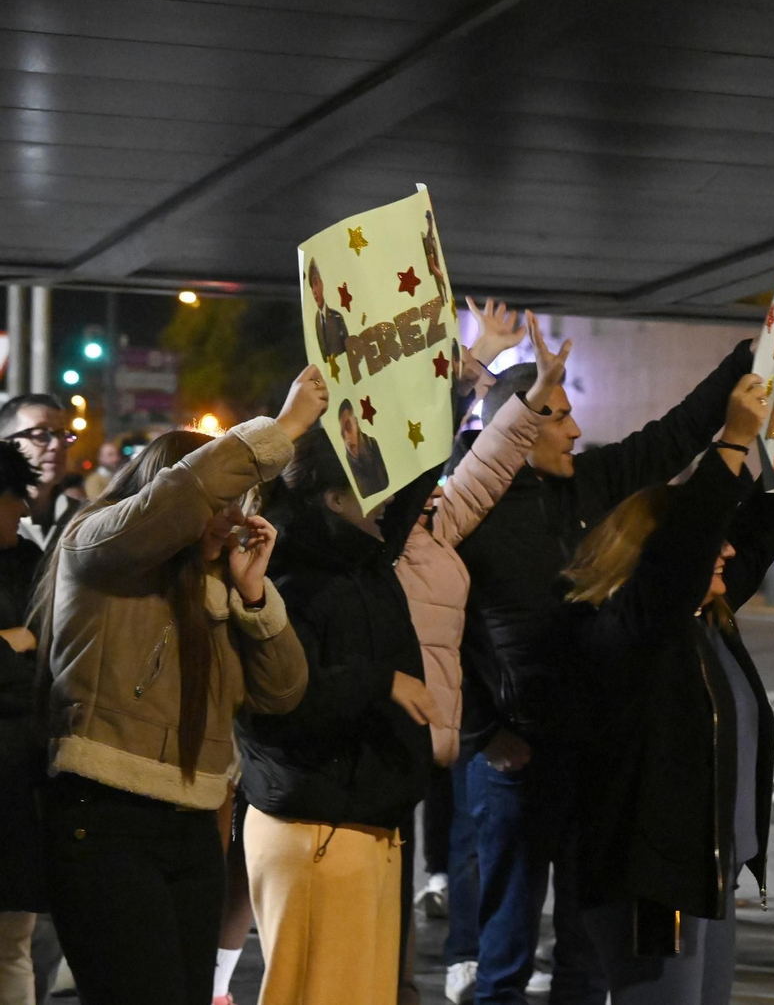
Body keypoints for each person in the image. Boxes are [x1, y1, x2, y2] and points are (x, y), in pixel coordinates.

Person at [456, 337, 765, 1005]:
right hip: (518, 754)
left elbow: (676, 432)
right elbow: (441, 630)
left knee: (588, 943)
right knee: (506, 938)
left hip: (595, 751)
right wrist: (483, 731)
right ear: (511, 428)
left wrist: (749, 356)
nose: (574, 429)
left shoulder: (589, 483)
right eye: (556, 415)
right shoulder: (471, 511)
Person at [34, 369, 323, 1005]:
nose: (225, 521)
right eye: (216, 506)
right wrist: (286, 429)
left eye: (234, 508)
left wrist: (254, 595)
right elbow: (177, 499)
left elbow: (282, 692)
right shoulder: (97, 544)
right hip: (104, 819)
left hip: (192, 828)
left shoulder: (218, 588)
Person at [558, 375, 774, 1005]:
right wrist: (732, 440)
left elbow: (754, 533)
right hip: (651, 880)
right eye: (709, 541)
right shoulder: (627, 630)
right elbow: (683, 559)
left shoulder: (704, 618)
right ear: (654, 557)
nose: (725, 550)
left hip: (705, 870)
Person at [396, 306, 570, 1005]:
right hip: (352, 771)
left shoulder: (439, 520)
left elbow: (490, 457)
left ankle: (441, 972)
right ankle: (467, 960)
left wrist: (489, 368)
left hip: (417, 746)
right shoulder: (331, 550)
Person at [237, 416, 443, 1005]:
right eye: (378, 485)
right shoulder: (280, 574)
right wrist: (377, 683)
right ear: (333, 497)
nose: (396, 503)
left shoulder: (364, 556)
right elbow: (277, 708)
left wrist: (445, 397)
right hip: (317, 828)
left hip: (364, 824)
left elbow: (413, 484)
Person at [0, 443, 45, 1005]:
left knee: (15, 941)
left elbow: (53, 649)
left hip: (18, 786)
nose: (25, 513)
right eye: (14, 501)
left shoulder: (28, 562)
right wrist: (22, 644)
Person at [0, 395, 76, 550]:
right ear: (5, 442)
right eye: (41, 435)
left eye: (63, 436)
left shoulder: (83, 517)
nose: (57, 445)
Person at [338, 399, 390, 497]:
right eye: (342, 434)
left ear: (356, 423)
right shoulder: (347, 463)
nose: (347, 440)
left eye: (348, 428)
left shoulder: (373, 444)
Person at [308, 259, 348, 364]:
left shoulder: (337, 317)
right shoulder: (316, 321)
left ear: (322, 284)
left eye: (316, 283)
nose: (314, 291)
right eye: (312, 287)